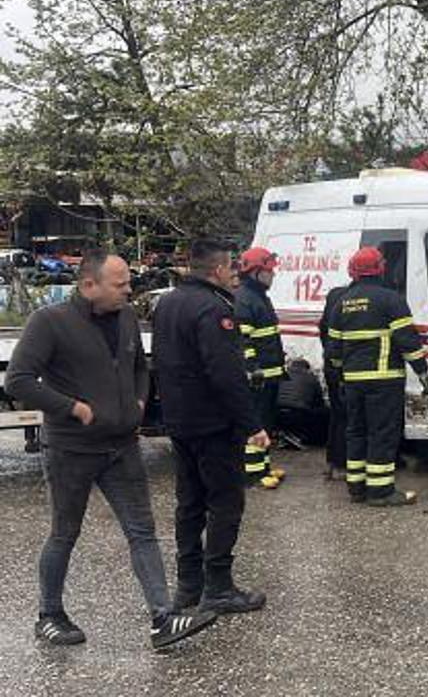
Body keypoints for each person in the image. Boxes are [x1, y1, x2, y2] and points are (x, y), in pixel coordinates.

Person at [7, 249, 218, 650]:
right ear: (89, 285)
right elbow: (18, 380)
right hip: (72, 449)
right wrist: (73, 408)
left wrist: (139, 402)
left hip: (121, 446)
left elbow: (139, 366)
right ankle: (49, 614)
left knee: (143, 532)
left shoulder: (124, 318)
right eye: (119, 284)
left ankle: (163, 618)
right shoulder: (49, 322)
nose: (129, 290)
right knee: (64, 533)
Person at [153, 239, 271, 615]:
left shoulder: (168, 302)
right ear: (218, 270)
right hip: (213, 424)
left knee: (189, 502)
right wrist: (252, 423)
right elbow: (225, 373)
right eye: (231, 268)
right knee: (225, 502)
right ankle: (218, 586)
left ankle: (189, 584)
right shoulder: (213, 308)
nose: (235, 275)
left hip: (180, 420)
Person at [325, 247, 428, 507]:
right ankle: (381, 491)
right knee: (382, 433)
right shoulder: (390, 299)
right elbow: (407, 340)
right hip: (384, 379)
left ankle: (357, 488)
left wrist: (340, 375)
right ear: (380, 268)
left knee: (356, 431)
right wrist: (422, 371)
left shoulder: (342, 302)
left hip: (352, 380)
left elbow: (333, 349)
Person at [234, 247, 287, 489]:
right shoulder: (245, 299)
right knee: (255, 423)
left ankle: (263, 466)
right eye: (269, 271)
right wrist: (252, 368)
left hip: (269, 374)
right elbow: (243, 340)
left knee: (266, 421)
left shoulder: (258, 296)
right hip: (258, 376)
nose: (273, 275)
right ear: (255, 272)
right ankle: (253, 474)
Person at [317, 284, 349, 480]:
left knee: (337, 414)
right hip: (347, 367)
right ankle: (340, 464)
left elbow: (323, 329)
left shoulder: (335, 294)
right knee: (347, 417)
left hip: (331, 364)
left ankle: (333, 462)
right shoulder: (356, 298)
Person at [276, 359, 328, 446]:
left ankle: (288, 435)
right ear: (307, 368)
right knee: (324, 413)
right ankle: (314, 440)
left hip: (276, 412)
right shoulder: (311, 377)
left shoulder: (282, 375)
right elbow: (319, 400)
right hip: (298, 413)